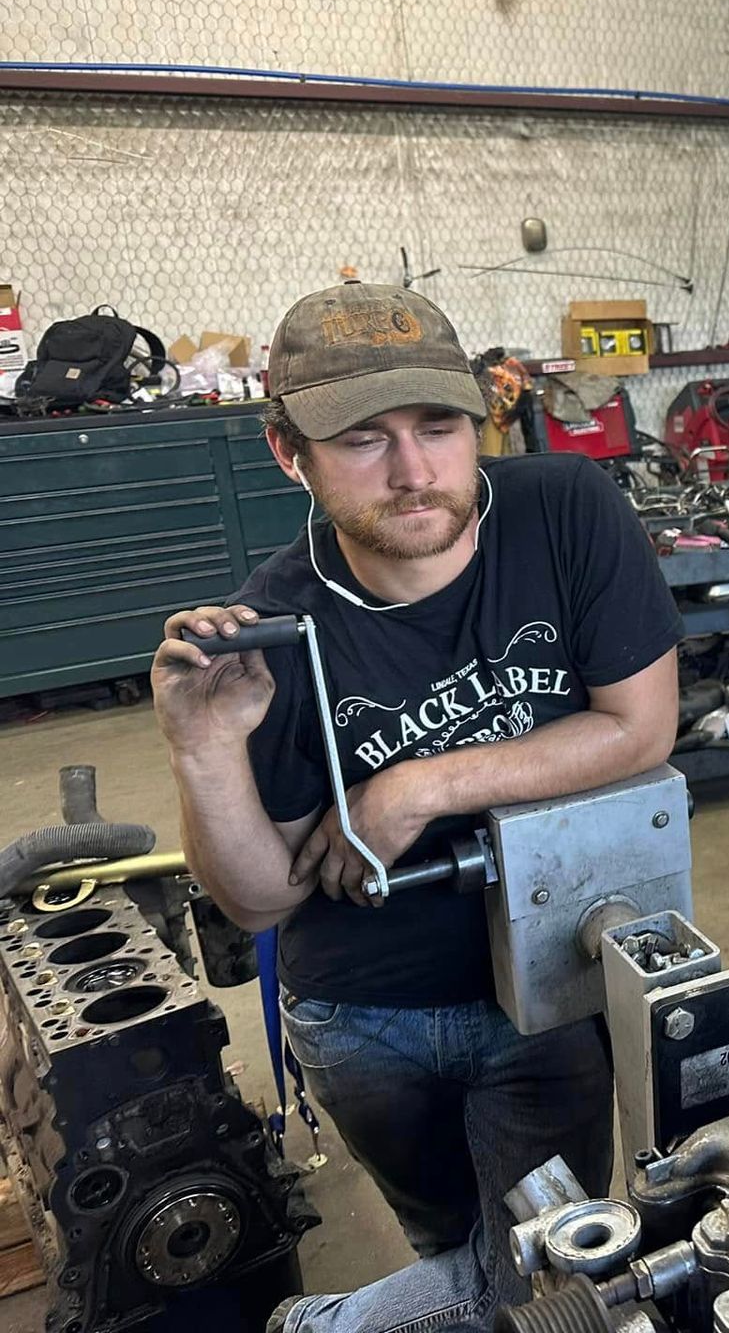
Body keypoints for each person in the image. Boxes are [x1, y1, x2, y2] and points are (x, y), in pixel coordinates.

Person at [151, 282, 681, 1332]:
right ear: (285, 452)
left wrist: (414, 787)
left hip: (550, 983)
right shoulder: (272, 628)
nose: (413, 472)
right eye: (361, 440)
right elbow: (262, 900)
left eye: (438, 427)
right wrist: (205, 750)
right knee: (454, 1248)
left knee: (551, 1276)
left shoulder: (564, 515)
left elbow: (639, 727)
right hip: (366, 1021)